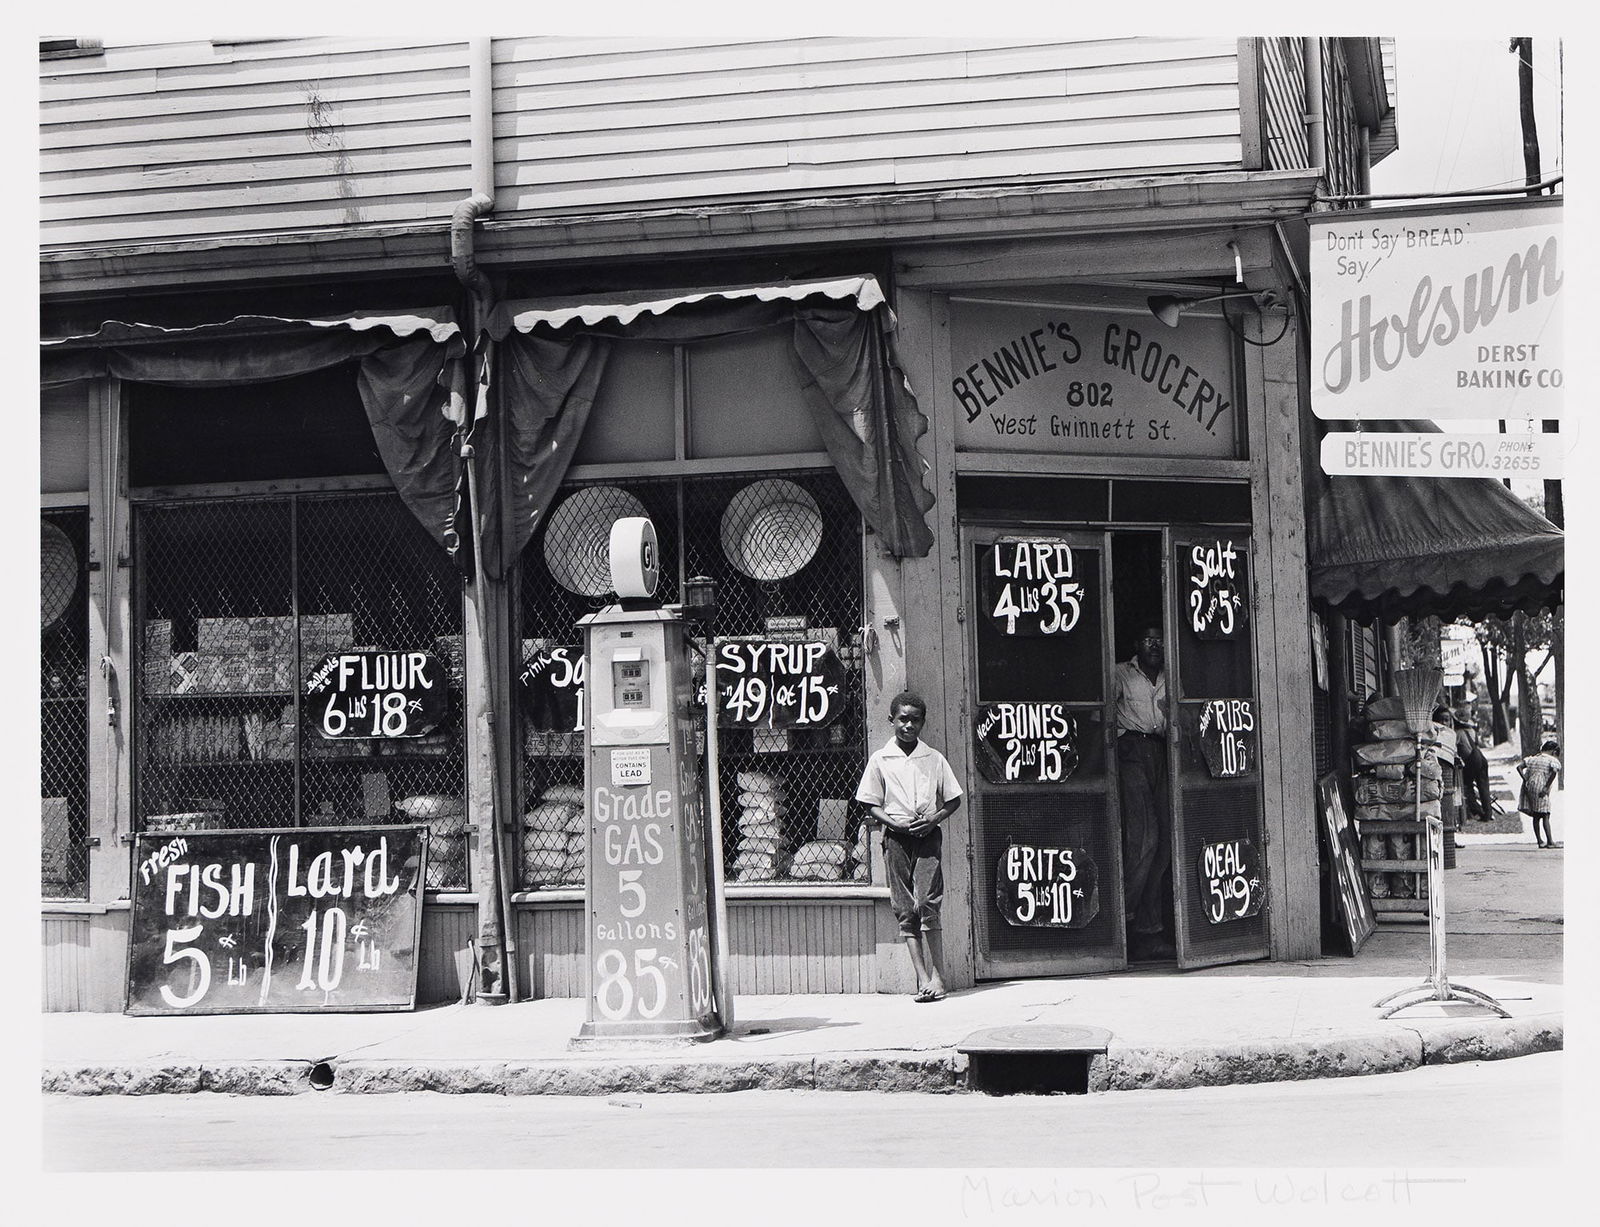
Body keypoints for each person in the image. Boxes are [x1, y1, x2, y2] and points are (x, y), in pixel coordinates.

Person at [856, 691, 963, 1002]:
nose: (909, 725)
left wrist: (934, 819)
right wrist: (893, 823)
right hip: (897, 836)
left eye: (915, 720)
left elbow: (954, 799)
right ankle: (921, 980)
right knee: (905, 908)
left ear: (923, 722)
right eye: (903, 719)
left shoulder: (933, 758)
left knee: (929, 900)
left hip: (927, 835)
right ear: (892, 721)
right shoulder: (881, 759)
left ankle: (938, 977)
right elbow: (870, 803)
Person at [1113, 622, 1173, 962]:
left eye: (1160, 639)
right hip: (1131, 751)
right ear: (1138, 643)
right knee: (1144, 838)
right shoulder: (1121, 672)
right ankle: (1123, 917)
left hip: (1164, 752)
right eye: (1148, 638)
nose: (1154, 644)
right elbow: (1103, 713)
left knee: (1163, 845)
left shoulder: (1171, 673)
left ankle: (1149, 934)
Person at [1517, 739, 1562, 849]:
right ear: (1553, 752)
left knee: (1536, 815)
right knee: (1545, 814)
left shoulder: (1533, 758)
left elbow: (1519, 767)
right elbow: (1554, 772)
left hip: (1529, 787)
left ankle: (1539, 841)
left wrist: (1525, 780)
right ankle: (1550, 841)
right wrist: (1546, 787)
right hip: (1541, 787)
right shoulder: (1551, 759)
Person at [1455, 707, 1493, 822]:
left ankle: (1477, 810)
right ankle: (1488, 813)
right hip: (1481, 757)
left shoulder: (1458, 733)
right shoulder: (1472, 731)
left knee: (1467, 786)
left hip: (1471, 760)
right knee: (1484, 787)